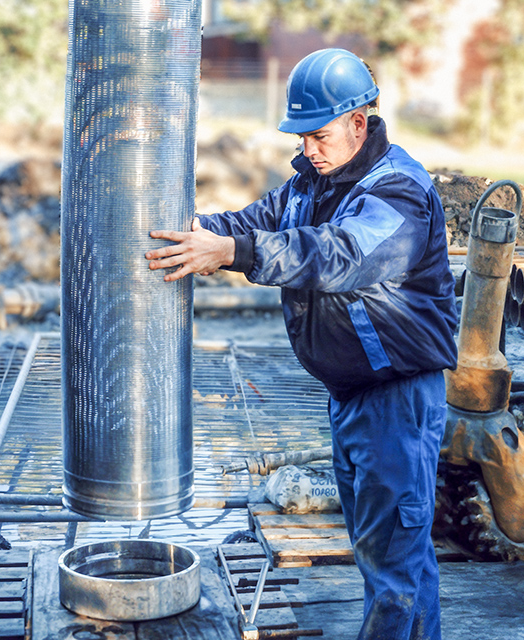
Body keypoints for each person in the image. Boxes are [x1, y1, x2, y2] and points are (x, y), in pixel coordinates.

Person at [145, 48, 454, 639]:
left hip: (397, 401)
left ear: (358, 123)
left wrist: (234, 254)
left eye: (318, 135)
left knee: (397, 571)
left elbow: (338, 255)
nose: (307, 148)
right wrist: (193, 232)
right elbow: (251, 224)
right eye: (300, 136)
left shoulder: (400, 195)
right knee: (385, 555)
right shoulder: (310, 185)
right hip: (352, 396)